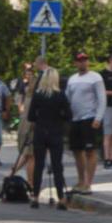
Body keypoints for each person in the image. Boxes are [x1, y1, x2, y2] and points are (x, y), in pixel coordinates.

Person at [26, 67, 70, 210]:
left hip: (41, 132)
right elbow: (68, 115)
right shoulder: (61, 95)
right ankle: (61, 198)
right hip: (56, 132)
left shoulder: (38, 95)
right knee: (57, 166)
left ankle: (35, 197)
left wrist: (40, 117)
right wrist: (60, 116)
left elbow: (31, 116)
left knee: (39, 165)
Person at [64, 52, 106, 192]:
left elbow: (102, 98)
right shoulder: (72, 79)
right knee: (77, 150)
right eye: (79, 61)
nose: (82, 63)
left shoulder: (95, 77)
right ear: (75, 63)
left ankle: (88, 183)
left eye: (85, 60)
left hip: (89, 118)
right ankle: (81, 180)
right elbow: (68, 98)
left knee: (90, 151)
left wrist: (98, 117)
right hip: (76, 119)